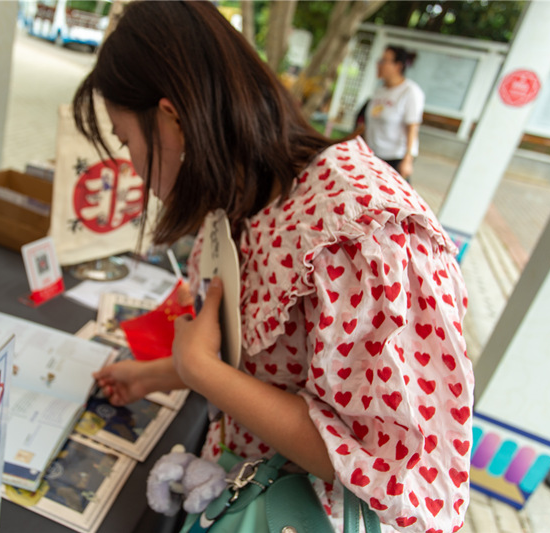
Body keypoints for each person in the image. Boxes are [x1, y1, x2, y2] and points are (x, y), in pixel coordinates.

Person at [78, 2, 473, 531]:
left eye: (128, 141)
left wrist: (203, 373)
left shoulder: (360, 228)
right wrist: (153, 374)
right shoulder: (247, 200)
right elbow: (267, 371)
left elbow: (385, 467)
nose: (131, 164)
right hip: (242, 495)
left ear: (172, 118)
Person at [364, 46, 425, 181]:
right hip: (374, 155)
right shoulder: (380, 90)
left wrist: (407, 160)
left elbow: (413, 126)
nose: (379, 65)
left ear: (397, 66)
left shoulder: (410, 91)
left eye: (384, 61)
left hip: (395, 158)